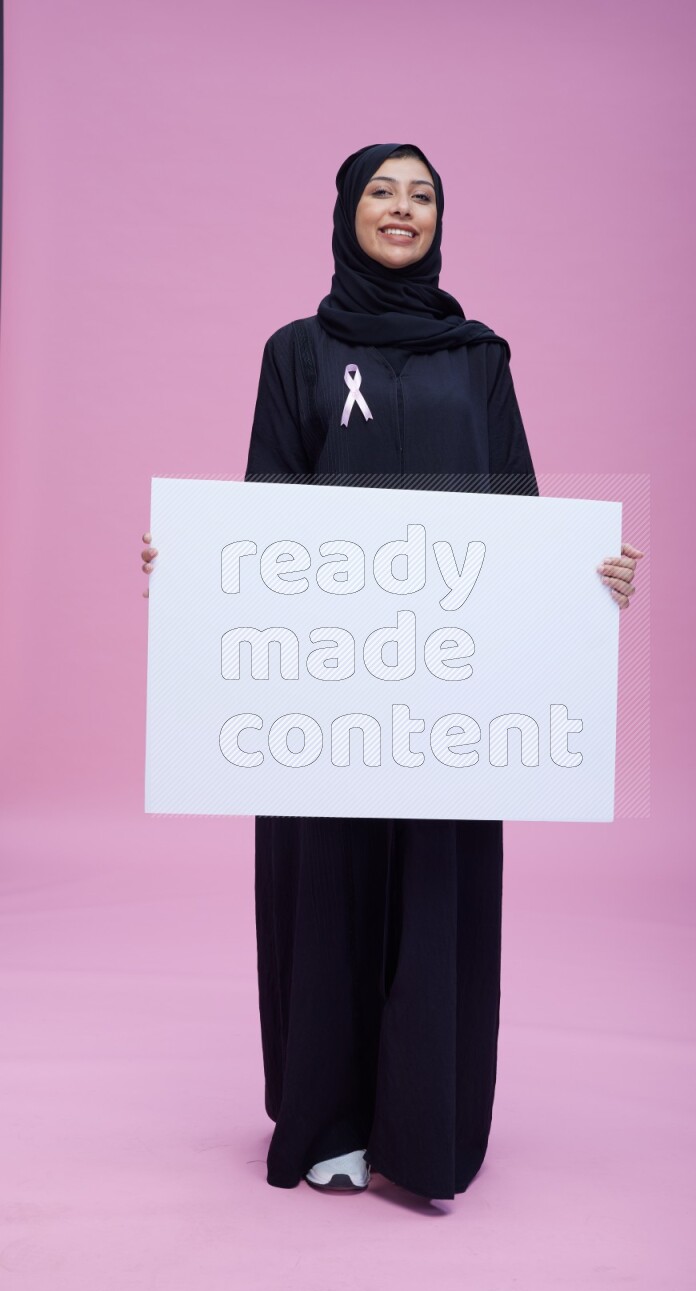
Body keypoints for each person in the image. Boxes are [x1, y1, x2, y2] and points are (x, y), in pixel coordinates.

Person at [141, 142, 643, 1200]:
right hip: (323, 688)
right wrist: (194, 572)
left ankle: (422, 1138)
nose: (401, 208)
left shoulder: (481, 359)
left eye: (421, 195)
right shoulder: (297, 353)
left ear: (439, 219)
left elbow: (521, 518)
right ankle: (326, 1123)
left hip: (451, 696)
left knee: (434, 891)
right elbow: (261, 513)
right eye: (382, 192)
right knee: (325, 893)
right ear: (345, 212)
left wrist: (586, 582)